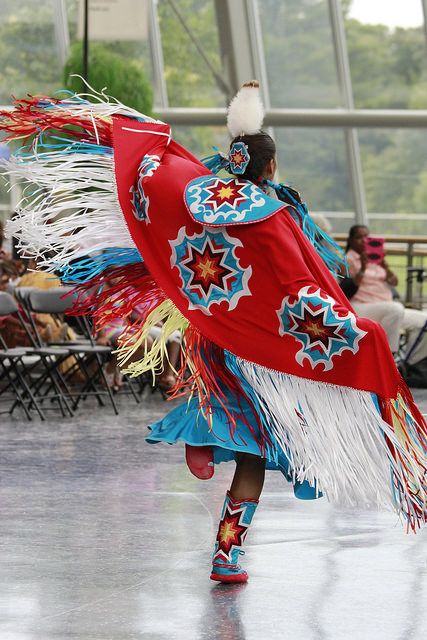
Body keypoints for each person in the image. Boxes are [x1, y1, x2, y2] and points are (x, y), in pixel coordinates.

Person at [2, 81, 427, 587]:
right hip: (261, 352)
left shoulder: (200, 192)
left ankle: (223, 533)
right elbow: (298, 292)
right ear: (269, 167)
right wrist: (355, 332)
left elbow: (162, 199)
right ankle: (225, 549)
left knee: (247, 442)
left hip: (217, 341)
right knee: (253, 453)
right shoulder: (271, 217)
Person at [345, 225, 427, 364]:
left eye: (366, 237)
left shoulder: (376, 259)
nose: (364, 240)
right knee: (395, 308)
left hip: (387, 309)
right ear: (351, 240)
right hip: (361, 307)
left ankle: (409, 363)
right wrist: (363, 267)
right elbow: (346, 289)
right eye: (359, 237)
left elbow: (394, 282)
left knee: (423, 321)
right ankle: (389, 361)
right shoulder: (348, 259)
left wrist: (385, 266)